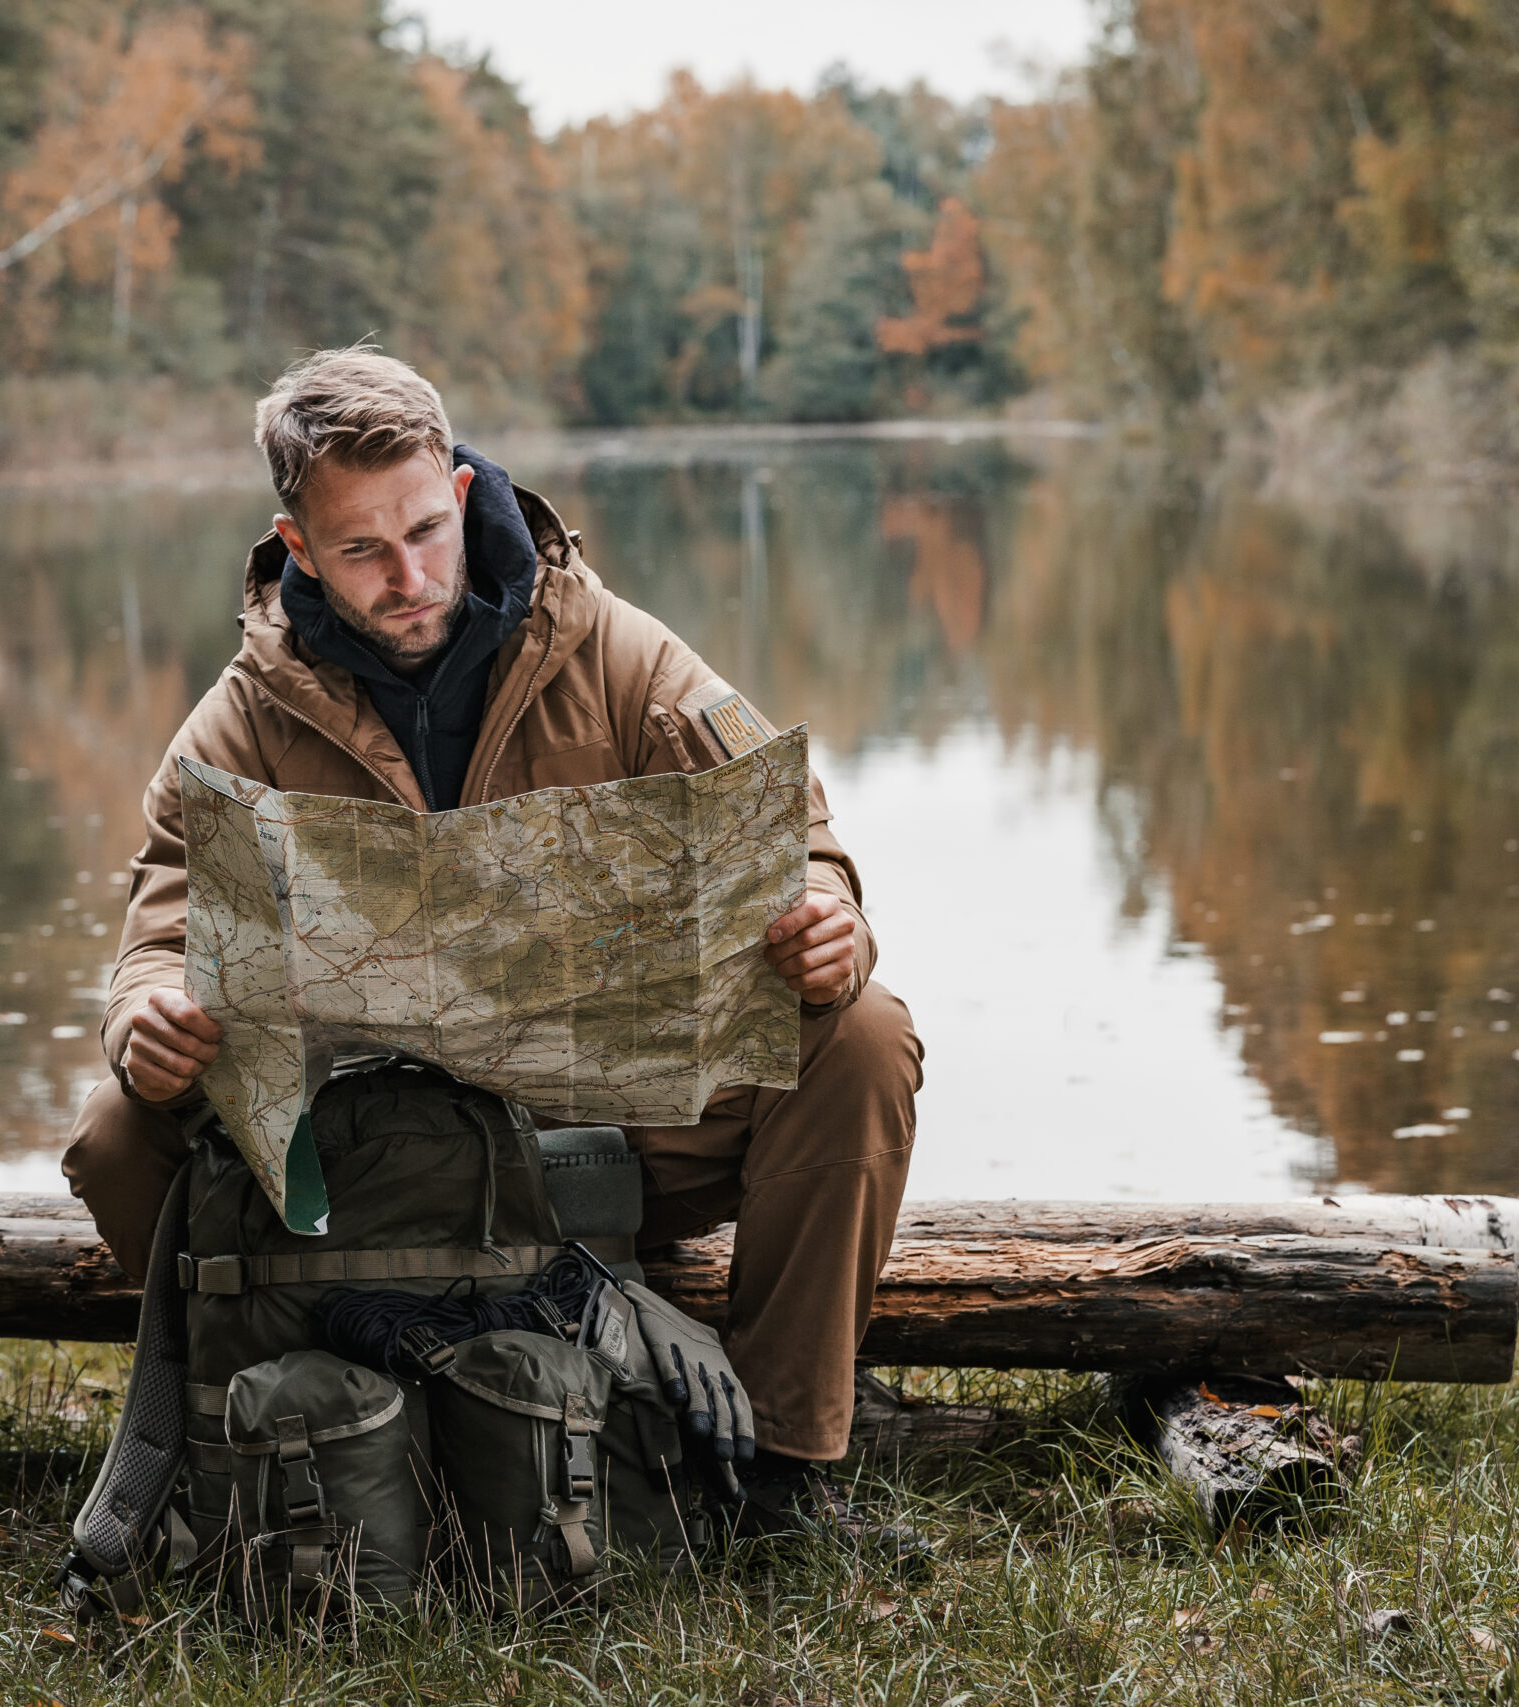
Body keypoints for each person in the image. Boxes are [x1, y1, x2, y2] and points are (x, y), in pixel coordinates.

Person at [61, 347, 921, 1521]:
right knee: (117, 1129)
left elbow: (800, 842)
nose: (408, 577)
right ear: (298, 545)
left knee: (861, 1034)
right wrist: (144, 1019)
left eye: (424, 530)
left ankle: (777, 1466)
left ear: (463, 494)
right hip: (382, 1171)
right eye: (361, 550)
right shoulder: (237, 726)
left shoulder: (619, 653)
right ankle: (282, 1419)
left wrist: (830, 925)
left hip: (608, 1140)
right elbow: (157, 938)